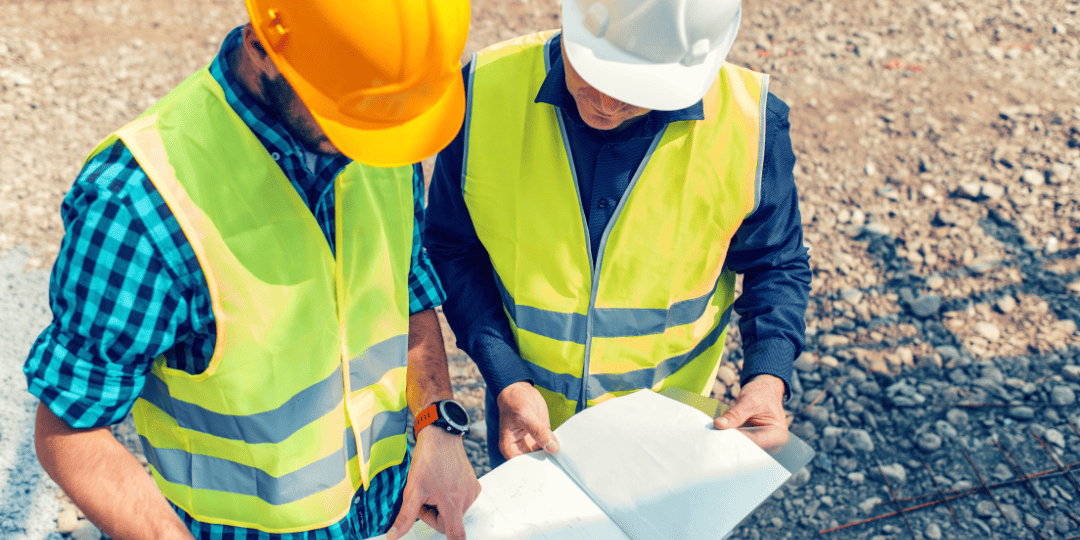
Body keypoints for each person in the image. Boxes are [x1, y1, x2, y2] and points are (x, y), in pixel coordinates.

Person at [24, 1, 481, 539]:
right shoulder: (138, 204)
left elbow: (405, 282)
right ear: (264, 46)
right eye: (348, 117)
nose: (372, 141)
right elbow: (70, 429)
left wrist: (437, 423)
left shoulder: (380, 123)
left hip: (386, 517)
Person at [426, 0, 812, 468]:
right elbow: (452, 247)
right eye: (595, 78)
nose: (606, 105)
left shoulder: (750, 124)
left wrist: (767, 376)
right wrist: (506, 376)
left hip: (670, 434)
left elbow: (776, 263)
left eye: (633, 90)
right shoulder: (486, 91)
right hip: (528, 423)